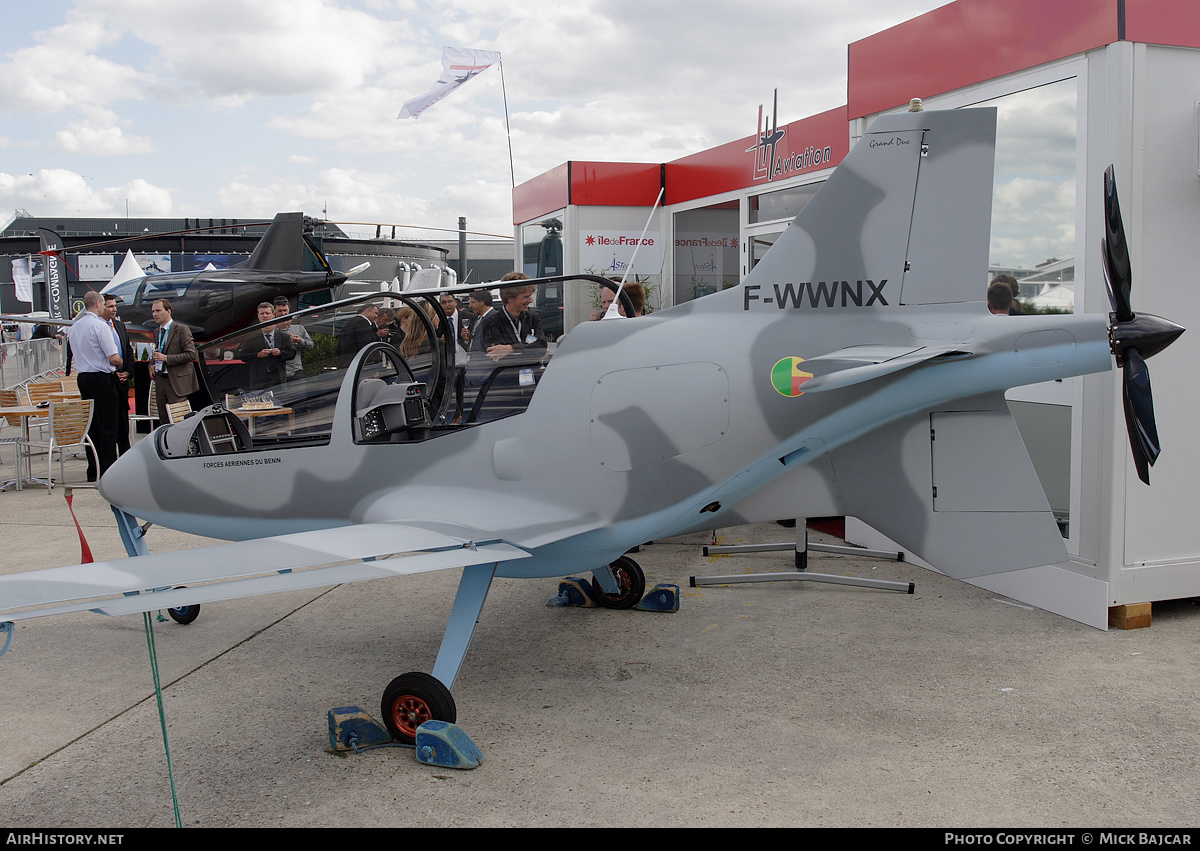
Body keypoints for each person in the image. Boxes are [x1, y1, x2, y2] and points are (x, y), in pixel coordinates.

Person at [68, 291, 122, 481]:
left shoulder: (74, 327)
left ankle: (93, 469)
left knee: (92, 426)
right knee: (108, 426)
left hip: (84, 377)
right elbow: (113, 356)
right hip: (101, 377)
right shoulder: (99, 326)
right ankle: (109, 471)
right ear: (99, 304)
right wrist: (120, 362)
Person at [150, 297, 200, 425]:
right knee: (164, 420)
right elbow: (157, 351)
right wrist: (151, 364)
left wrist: (166, 358)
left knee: (179, 420)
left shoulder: (181, 329)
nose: (155, 314)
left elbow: (191, 354)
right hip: (161, 380)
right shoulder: (157, 332)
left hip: (177, 381)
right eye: (153, 311)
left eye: (158, 310)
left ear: (168, 311)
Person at [103, 294, 135, 454]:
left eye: (115, 306)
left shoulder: (120, 326)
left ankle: (125, 455)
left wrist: (128, 371)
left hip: (122, 382)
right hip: (107, 380)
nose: (114, 309)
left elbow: (128, 350)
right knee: (109, 425)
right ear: (101, 307)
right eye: (110, 306)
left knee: (123, 424)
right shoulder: (98, 327)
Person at [236, 302, 295, 390]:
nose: (265, 316)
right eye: (262, 313)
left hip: (278, 379)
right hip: (259, 381)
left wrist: (280, 353)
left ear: (273, 315)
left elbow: (292, 353)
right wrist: (257, 355)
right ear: (258, 316)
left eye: (267, 313)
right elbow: (243, 356)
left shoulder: (284, 337)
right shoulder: (251, 338)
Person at [439, 292, 474, 422]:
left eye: (449, 301)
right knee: (452, 392)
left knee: (466, 392)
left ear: (455, 303)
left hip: (465, 360)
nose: (447, 305)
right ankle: (455, 416)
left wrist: (467, 339)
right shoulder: (438, 320)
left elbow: (476, 340)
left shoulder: (469, 317)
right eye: (443, 302)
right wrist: (440, 341)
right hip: (447, 362)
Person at [273, 296, 314, 381]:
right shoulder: (271, 330)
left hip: (296, 371)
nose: (283, 313)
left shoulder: (299, 328)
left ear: (289, 309)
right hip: (277, 372)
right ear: (274, 312)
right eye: (280, 311)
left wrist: (300, 341)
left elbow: (311, 345)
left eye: (285, 310)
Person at [337, 303, 385, 368]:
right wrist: (372, 368)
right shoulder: (363, 323)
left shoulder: (350, 323)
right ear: (368, 312)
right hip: (360, 367)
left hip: (347, 364)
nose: (376, 316)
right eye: (376, 313)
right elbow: (366, 347)